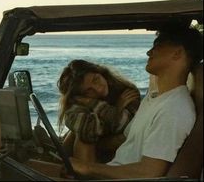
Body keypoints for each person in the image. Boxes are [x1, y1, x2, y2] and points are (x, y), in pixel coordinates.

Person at [68, 26, 203, 179]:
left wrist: (86, 167)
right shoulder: (154, 97)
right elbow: (128, 140)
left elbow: (149, 172)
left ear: (177, 53)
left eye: (157, 46)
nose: (149, 52)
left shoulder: (174, 109)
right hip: (110, 171)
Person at [57, 59, 141, 163]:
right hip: (93, 145)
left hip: (122, 146)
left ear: (100, 72)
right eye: (88, 90)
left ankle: (82, 172)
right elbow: (88, 128)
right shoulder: (79, 102)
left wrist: (96, 106)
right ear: (80, 95)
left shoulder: (125, 90)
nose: (98, 89)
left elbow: (127, 125)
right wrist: (115, 110)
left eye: (96, 80)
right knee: (82, 128)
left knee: (87, 131)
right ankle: (64, 165)